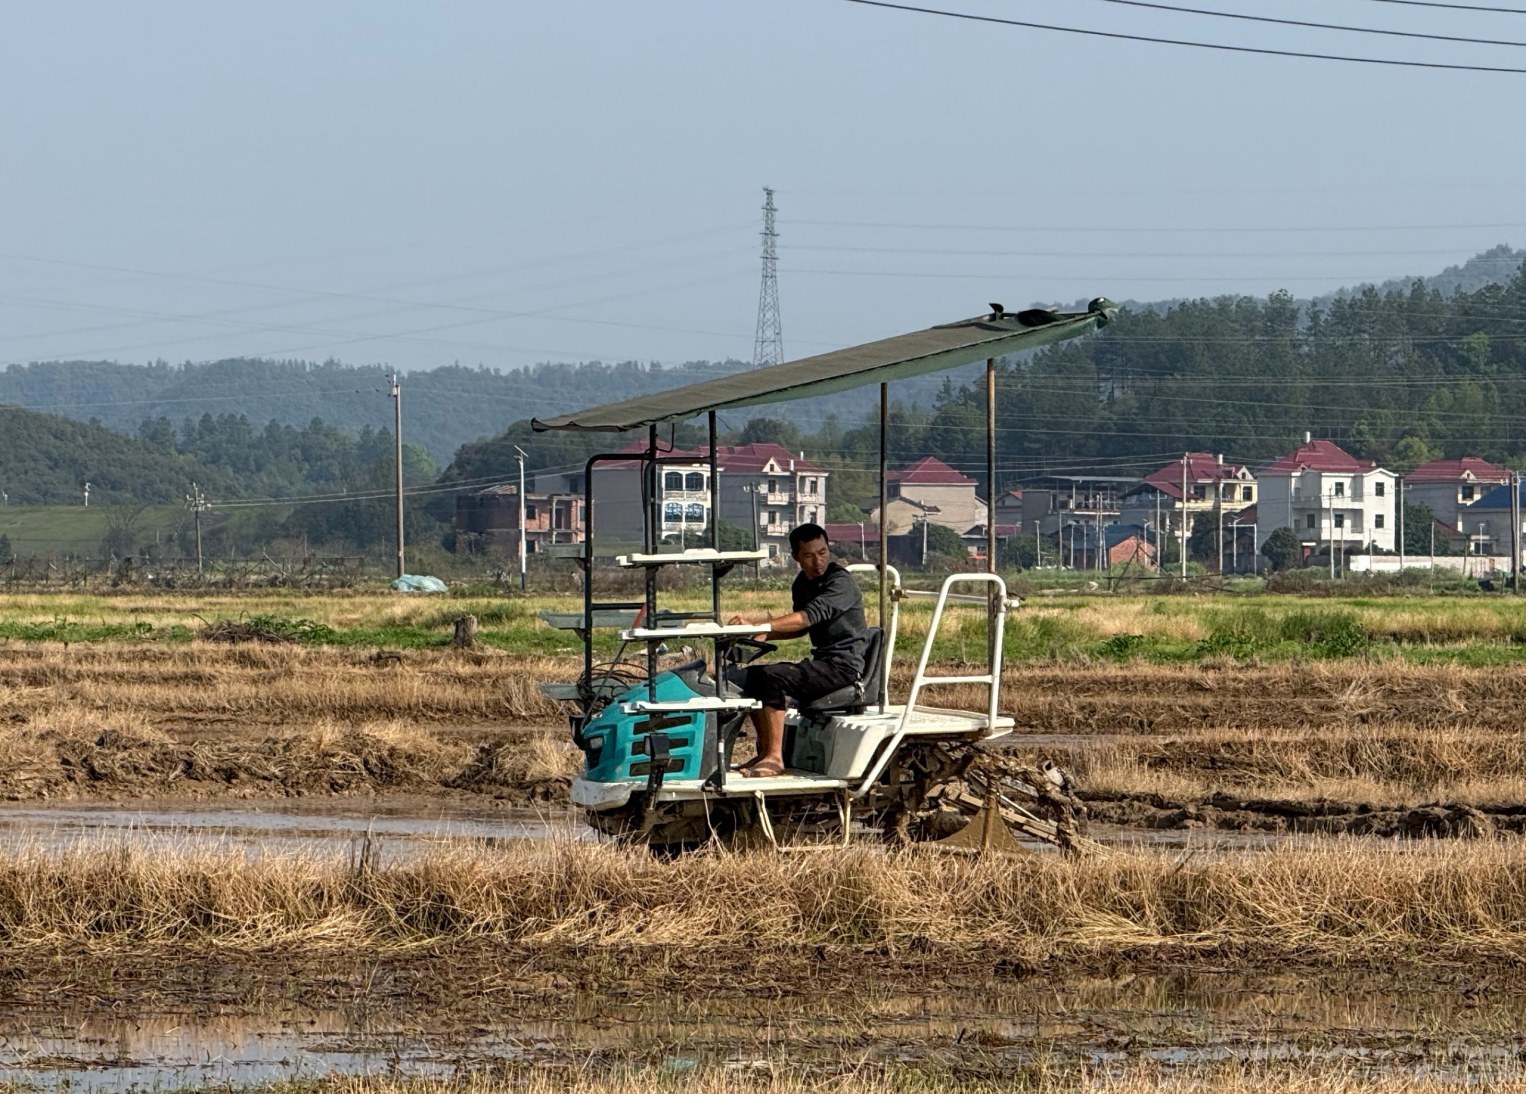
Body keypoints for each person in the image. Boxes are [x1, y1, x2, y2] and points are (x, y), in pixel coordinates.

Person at [725, 522, 868, 778]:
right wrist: (763, 632)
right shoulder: (802, 583)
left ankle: (775, 758)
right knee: (755, 675)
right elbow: (800, 629)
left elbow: (806, 618)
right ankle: (763, 751)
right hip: (823, 662)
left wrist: (761, 624)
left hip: (843, 667)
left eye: (823, 552)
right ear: (796, 558)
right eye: (809, 555)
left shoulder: (840, 582)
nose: (818, 561)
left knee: (775, 677)